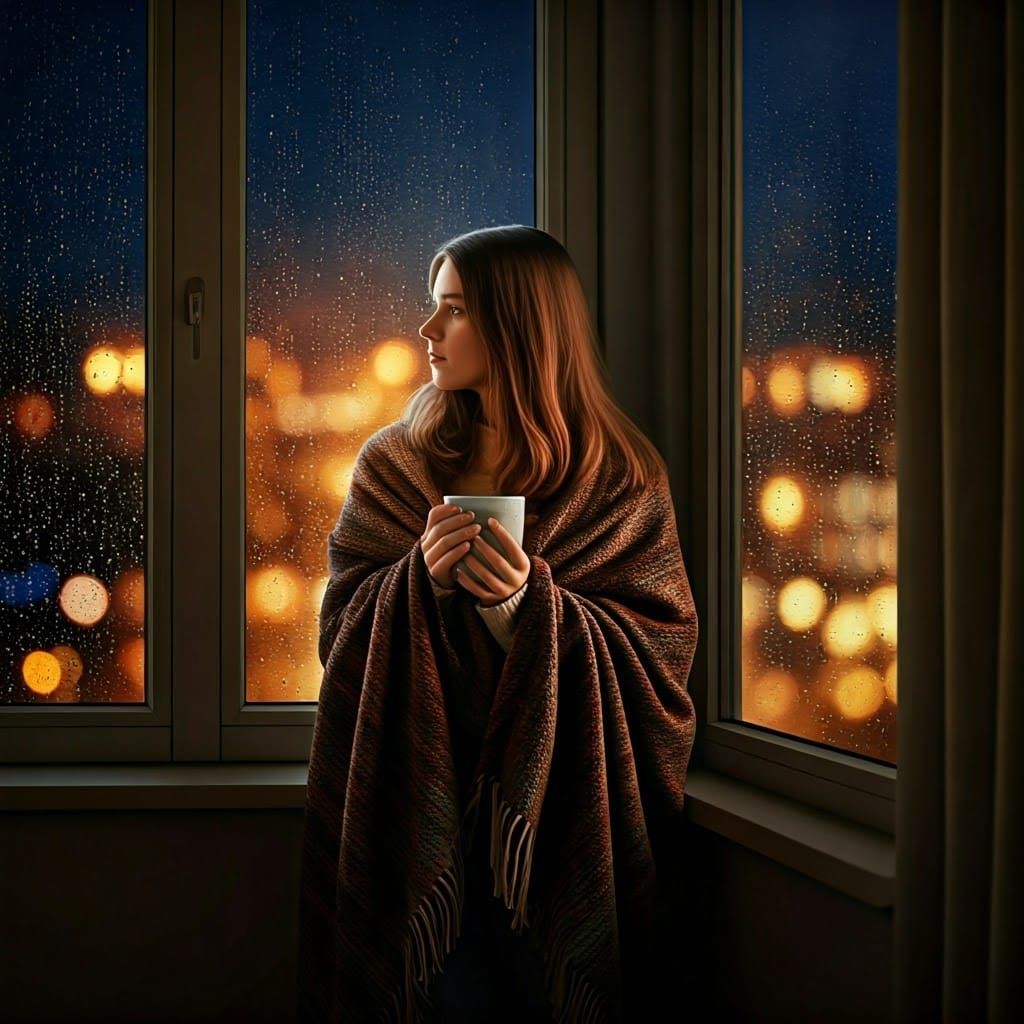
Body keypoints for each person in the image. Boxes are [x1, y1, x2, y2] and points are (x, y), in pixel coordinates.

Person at [297, 225, 698, 1023]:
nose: (427, 329)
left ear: (517, 329)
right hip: (417, 801)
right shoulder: (393, 466)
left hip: (562, 816)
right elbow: (339, 629)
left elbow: (661, 653)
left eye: (452, 311)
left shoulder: (621, 479)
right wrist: (416, 582)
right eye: (433, 306)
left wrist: (525, 611)